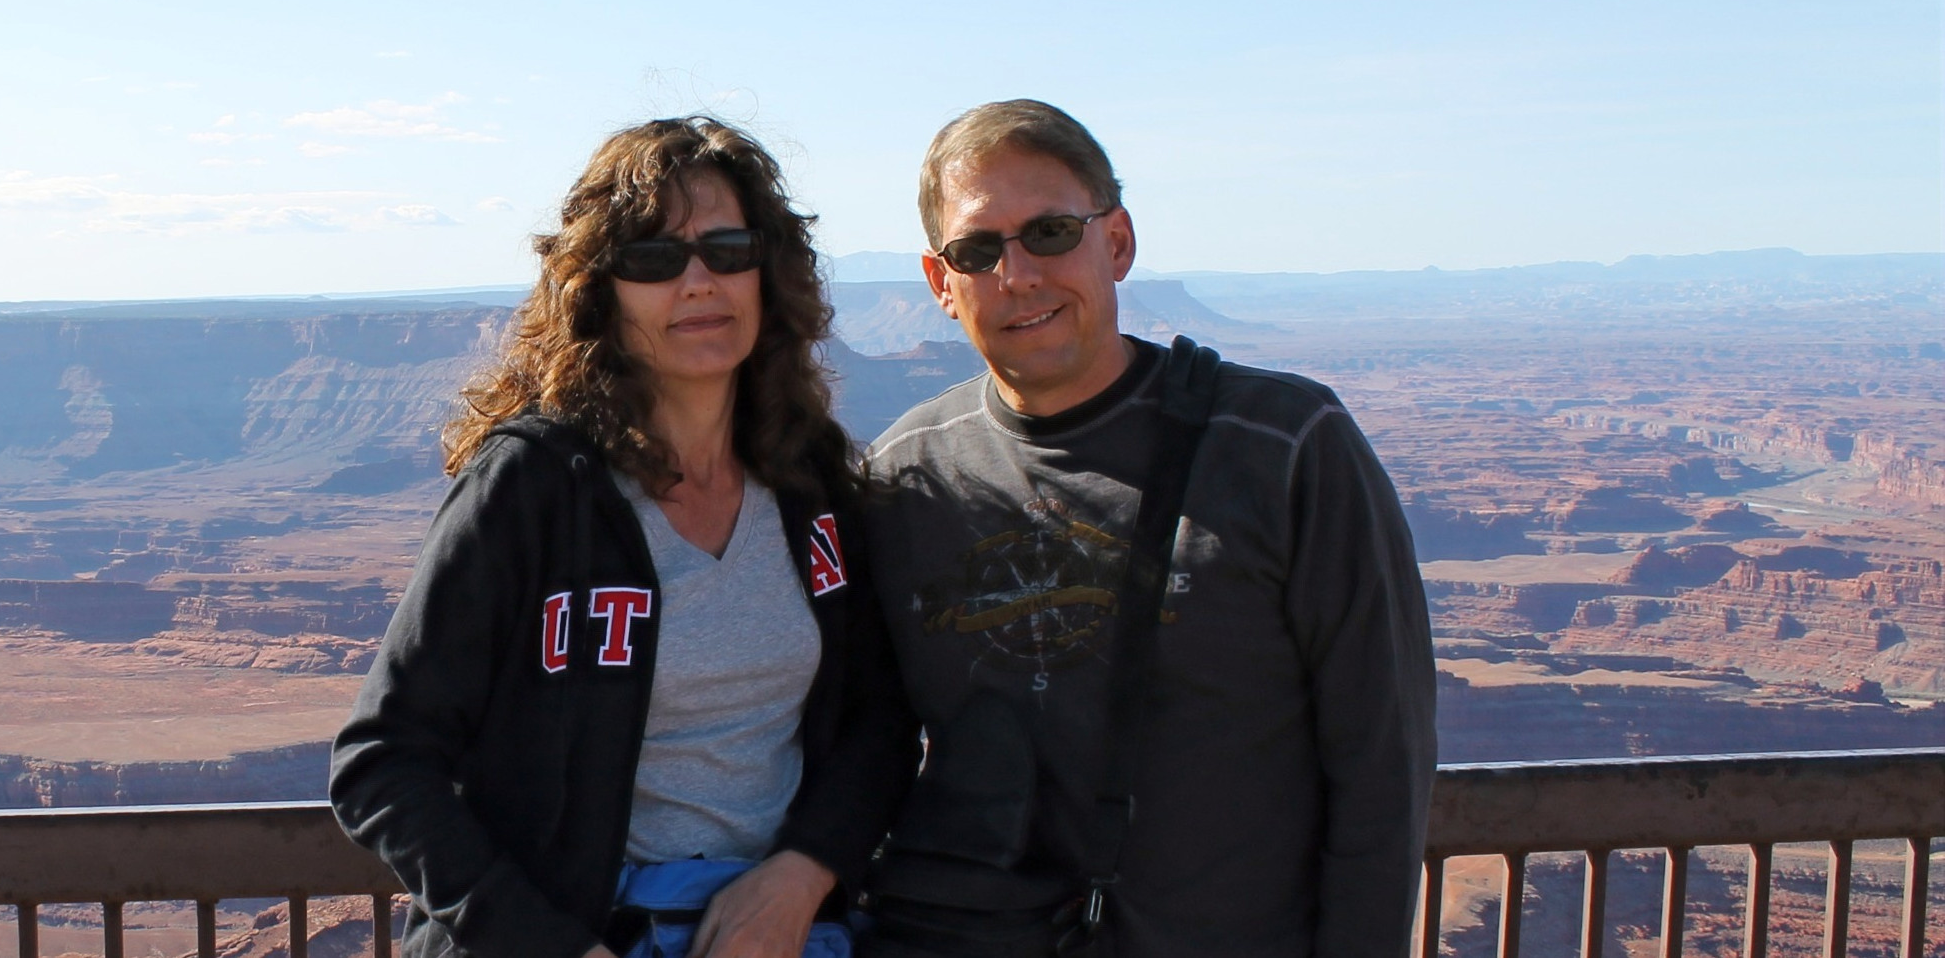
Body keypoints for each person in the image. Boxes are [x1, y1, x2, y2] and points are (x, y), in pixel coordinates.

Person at [860, 99, 1436, 958]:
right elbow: (859, 745)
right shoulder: (904, 476)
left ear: (1118, 242)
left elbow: (1382, 760)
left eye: (1051, 232)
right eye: (978, 251)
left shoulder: (1284, 447)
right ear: (942, 284)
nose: (1018, 275)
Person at [331, 117, 919, 958]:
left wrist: (804, 872)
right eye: (653, 258)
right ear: (600, 291)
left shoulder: (807, 485)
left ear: (768, 273)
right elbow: (383, 760)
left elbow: (879, 720)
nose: (699, 282)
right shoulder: (535, 488)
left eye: (728, 250)